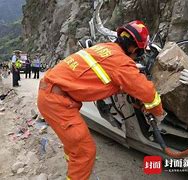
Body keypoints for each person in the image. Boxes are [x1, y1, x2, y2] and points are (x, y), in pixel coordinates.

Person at [37, 20, 165, 180]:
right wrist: (158, 112)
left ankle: (75, 167)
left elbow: (107, 77)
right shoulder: (121, 63)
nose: (137, 57)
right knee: (85, 151)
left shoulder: (105, 48)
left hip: (49, 93)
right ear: (133, 48)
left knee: (75, 146)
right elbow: (148, 93)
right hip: (57, 102)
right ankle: (78, 173)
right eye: (138, 53)